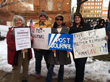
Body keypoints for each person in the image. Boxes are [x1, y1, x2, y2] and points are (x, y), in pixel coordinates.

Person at [6, 15, 33, 82]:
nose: (18, 22)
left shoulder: (26, 29)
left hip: (26, 51)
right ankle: (14, 80)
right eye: (16, 20)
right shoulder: (11, 31)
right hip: (17, 53)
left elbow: (31, 39)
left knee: (26, 66)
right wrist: (18, 47)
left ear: (22, 21)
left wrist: (31, 39)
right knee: (16, 68)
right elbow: (9, 42)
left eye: (20, 20)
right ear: (14, 22)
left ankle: (24, 79)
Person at [46, 14, 71, 82]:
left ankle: (60, 80)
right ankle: (48, 80)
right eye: (57, 19)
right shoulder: (52, 29)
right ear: (55, 20)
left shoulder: (65, 29)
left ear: (62, 21)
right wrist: (51, 48)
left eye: (60, 19)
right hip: (54, 50)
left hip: (62, 50)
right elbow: (49, 39)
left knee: (62, 66)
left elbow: (68, 39)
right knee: (51, 65)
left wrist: (68, 48)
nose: (59, 20)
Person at [69, 13, 92, 82]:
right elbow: (69, 38)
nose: (77, 19)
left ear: (81, 18)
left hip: (84, 50)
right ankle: (77, 78)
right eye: (75, 18)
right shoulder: (72, 28)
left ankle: (79, 80)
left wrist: (103, 37)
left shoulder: (86, 25)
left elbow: (93, 34)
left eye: (78, 17)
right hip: (75, 50)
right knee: (77, 65)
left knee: (81, 66)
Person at [34, 10, 56, 78]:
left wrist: (44, 29)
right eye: (41, 17)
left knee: (48, 60)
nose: (43, 18)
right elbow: (33, 32)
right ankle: (38, 72)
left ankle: (50, 70)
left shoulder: (49, 25)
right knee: (38, 60)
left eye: (44, 17)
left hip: (46, 46)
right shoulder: (35, 24)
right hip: (37, 47)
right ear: (39, 17)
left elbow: (50, 33)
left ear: (46, 18)